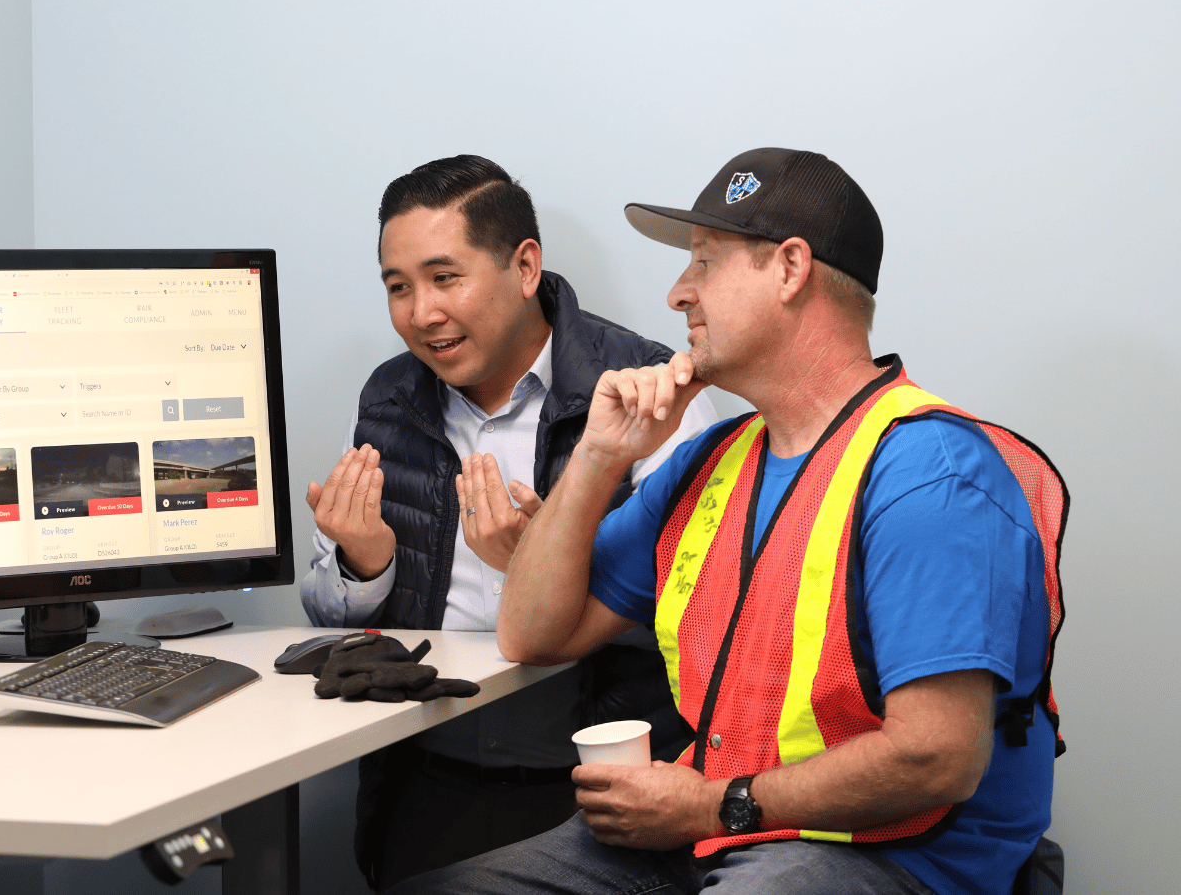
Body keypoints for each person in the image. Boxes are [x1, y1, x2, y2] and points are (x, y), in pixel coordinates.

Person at [391, 148, 1067, 895]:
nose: (679, 293)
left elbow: (938, 756)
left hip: (889, 852)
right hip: (714, 830)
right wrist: (599, 456)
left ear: (789, 268)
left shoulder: (929, 474)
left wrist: (715, 803)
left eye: (705, 264)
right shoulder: (710, 461)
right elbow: (532, 635)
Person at [300, 154, 718, 891]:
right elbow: (326, 610)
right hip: (427, 777)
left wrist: (543, 565)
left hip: (597, 785)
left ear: (525, 267)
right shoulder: (388, 398)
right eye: (398, 287)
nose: (420, 312)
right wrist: (365, 567)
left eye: (444, 277)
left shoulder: (646, 395)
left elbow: (704, 618)